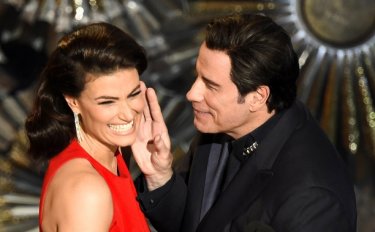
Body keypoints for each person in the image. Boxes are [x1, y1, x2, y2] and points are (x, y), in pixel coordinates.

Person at [131, 13, 357, 232]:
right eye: (197, 76)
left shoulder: (312, 197)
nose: (192, 93)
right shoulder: (221, 127)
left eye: (210, 85)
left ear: (258, 97)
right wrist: (158, 177)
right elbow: (192, 222)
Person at [25, 22, 152, 232]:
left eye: (133, 94)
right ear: (73, 102)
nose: (128, 114)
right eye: (107, 102)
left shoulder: (112, 152)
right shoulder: (86, 191)